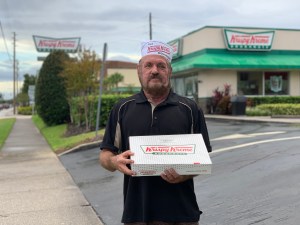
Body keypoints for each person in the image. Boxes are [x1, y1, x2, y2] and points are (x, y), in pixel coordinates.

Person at [99, 40, 212, 225]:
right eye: (148, 65)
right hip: (137, 214)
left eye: (161, 65)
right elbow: (105, 154)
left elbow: (202, 158)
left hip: (182, 214)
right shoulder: (122, 108)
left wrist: (184, 174)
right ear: (139, 70)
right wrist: (113, 161)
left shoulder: (190, 109)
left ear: (169, 71)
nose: (154, 70)